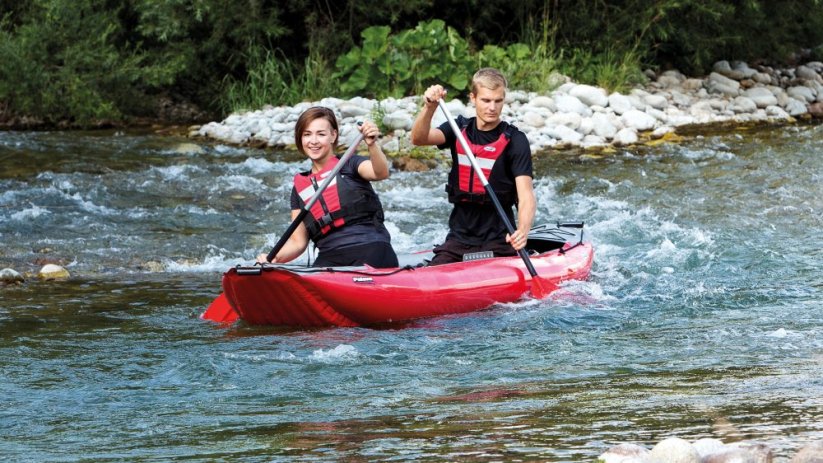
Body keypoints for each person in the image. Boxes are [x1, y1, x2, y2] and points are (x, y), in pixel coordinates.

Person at [410, 68, 536, 265]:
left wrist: (523, 230)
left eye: (498, 101)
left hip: (500, 239)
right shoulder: (458, 129)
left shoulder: (516, 140)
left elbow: (526, 195)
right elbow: (418, 138)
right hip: (460, 238)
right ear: (473, 98)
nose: (492, 107)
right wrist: (429, 107)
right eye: (486, 100)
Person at [257, 106, 398, 268]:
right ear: (300, 139)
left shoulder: (350, 164)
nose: (314, 141)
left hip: (370, 248)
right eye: (307, 134)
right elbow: (297, 243)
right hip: (329, 257)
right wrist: (272, 259)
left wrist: (372, 145)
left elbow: (380, 172)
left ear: (333, 136)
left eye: (321, 134)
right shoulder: (299, 189)